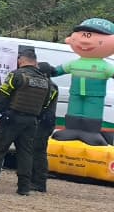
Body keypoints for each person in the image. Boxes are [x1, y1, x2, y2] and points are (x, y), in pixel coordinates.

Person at [0, 47, 55, 195]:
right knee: (25, 153)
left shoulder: (17, 75)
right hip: (31, 121)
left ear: (21, 60)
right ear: (35, 62)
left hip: (12, 118)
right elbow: (46, 104)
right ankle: (24, 187)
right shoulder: (45, 81)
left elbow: (3, 94)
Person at [49, 17, 114, 146]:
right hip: (76, 93)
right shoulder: (74, 63)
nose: (85, 42)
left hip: (95, 95)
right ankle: (71, 130)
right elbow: (56, 71)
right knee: (74, 110)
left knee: (92, 112)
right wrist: (45, 70)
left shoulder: (105, 66)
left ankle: (91, 133)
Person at [30, 62, 60, 194]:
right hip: (42, 121)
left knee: (39, 151)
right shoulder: (47, 84)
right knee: (33, 150)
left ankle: (39, 182)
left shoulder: (50, 86)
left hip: (44, 122)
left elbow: (44, 104)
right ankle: (33, 179)